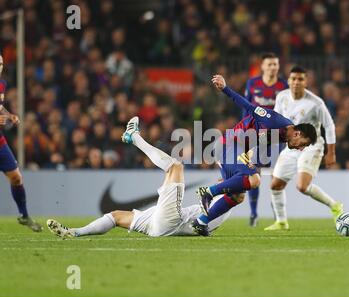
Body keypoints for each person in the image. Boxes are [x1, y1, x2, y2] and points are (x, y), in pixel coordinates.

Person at [47, 117, 230, 238]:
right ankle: (73, 232)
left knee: (175, 166)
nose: (220, 180)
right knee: (116, 216)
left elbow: (235, 189)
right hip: (158, 224)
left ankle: (134, 137)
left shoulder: (227, 200)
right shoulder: (219, 200)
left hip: (170, 222)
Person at [193, 74, 317, 236]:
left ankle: (201, 222)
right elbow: (248, 106)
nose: (301, 149)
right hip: (228, 145)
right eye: (303, 144)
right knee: (254, 179)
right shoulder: (275, 121)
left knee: (237, 196)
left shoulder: (282, 137)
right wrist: (225, 88)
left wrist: (239, 174)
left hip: (235, 150)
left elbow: (256, 142)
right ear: (297, 134)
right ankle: (208, 192)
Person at [265, 66, 343, 231]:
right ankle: (281, 222)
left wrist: (331, 152)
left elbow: (329, 126)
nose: (296, 82)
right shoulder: (282, 97)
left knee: (301, 186)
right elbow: (276, 120)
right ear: (288, 80)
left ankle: (334, 205)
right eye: (293, 78)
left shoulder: (315, 103)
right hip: (292, 146)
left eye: (300, 79)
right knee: (275, 185)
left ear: (306, 82)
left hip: (312, 146)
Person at [244, 52, 288, 227]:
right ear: (262, 66)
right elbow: (245, 108)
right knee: (254, 172)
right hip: (256, 135)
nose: (272, 67)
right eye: (269, 64)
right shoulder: (252, 83)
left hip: (277, 136)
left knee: (276, 175)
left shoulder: (283, 86)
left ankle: (277, 215)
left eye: (275, 64)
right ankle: (254, 213)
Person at [0, 54, 42, 232]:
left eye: (1, 63)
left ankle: (24, 215)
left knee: (16, 177)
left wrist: (9, 116)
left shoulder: (1, 84)